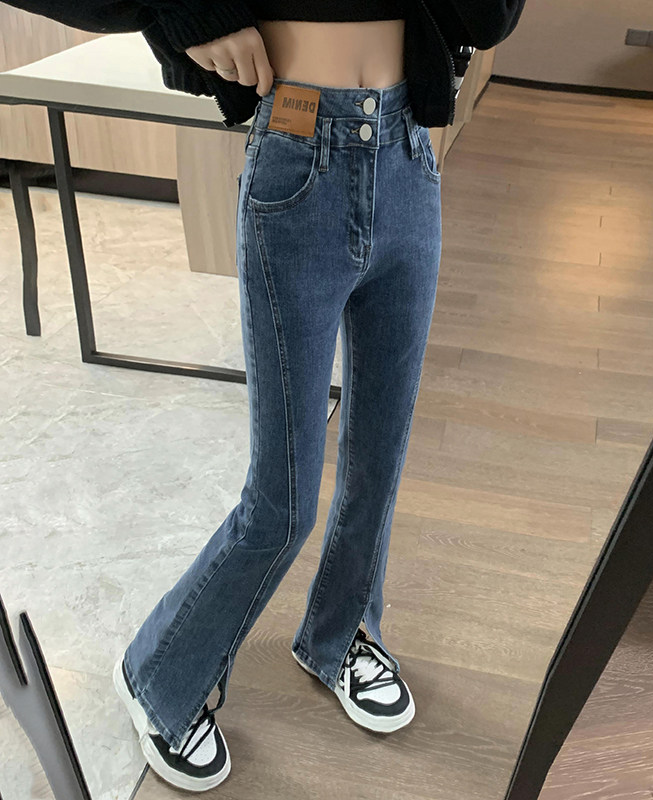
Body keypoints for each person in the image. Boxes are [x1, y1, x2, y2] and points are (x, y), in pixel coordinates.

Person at [110, 8, 443, 792]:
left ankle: (341, 632)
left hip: (408, 151)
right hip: (298, 154)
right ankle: (157, 671)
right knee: (281, 501)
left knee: (380, 457)